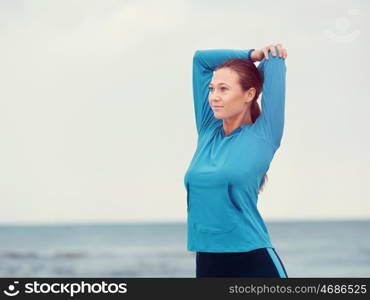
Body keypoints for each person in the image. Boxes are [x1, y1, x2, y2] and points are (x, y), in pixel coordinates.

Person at [183, 44, 289, 278]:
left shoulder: (264, 135)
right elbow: (201, 59)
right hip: (207, 261)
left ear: (249, 94)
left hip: (253, 261)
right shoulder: (208, 130)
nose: (214, 97)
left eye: (223, 89)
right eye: (211, 89)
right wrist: (250, 55)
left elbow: (274, 63)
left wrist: (268, 56)